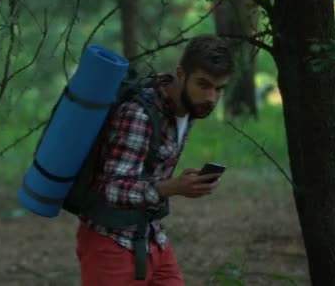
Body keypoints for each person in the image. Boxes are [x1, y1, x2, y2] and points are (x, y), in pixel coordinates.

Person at [76, 34, 235, 285]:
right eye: (203, 85)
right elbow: (111, 188)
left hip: (151, 238)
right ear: (181, 74)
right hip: (111, 244)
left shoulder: (189, 109)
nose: (211, 98)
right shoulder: (140, 114)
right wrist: (172, 187)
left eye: (219, 89)